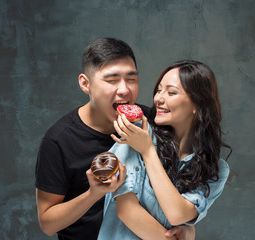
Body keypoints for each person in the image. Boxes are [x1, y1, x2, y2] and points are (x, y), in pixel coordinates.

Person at [35, 38, 195, 239]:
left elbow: (181, 188)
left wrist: (187, 226)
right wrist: (93, 193)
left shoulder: (152, 122)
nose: (124, 90)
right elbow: (48, 224)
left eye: (131, 79)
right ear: (86, 84)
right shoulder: (58, 140)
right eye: (111, 80)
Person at [97, 60, 232, 239]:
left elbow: (177, 214)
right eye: (159, 90)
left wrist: (147, 152)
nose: (159, 98)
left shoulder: (216, 169)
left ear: (197, 105)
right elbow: (127, 210)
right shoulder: (138, 132)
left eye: (171, 92)